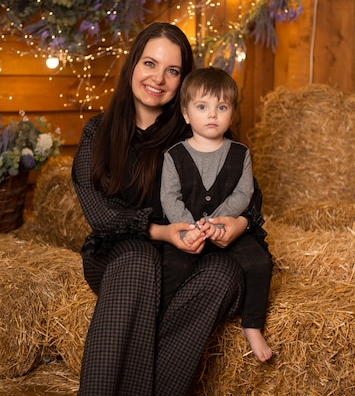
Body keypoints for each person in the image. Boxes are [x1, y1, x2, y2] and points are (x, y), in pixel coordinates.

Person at [72, 22, 269, 396]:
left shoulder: (194, 130)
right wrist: (162, 232)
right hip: (120, 252)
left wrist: (236, 223)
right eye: (150, 63)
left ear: (184, 82)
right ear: (133, 65)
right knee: (139, 260)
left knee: (225, 274)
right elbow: (100, 216)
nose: (158, 78)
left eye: (173, 71)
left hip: (186, 255)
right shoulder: (97, 132)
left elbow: (247, 192)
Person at [160, 66, 273, 362]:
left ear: (232, 114)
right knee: (172, 266)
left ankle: (252, 324)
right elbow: (169, 198)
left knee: (260, 262)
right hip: (188, 231)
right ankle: (162, 322)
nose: (212, 114)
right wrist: (188, 227)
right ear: (186, 114)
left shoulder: (240, 153)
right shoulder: (174, 155)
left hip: (226, 227)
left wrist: (219, 222)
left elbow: (243, 193)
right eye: (202, 106)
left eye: (221, 107)